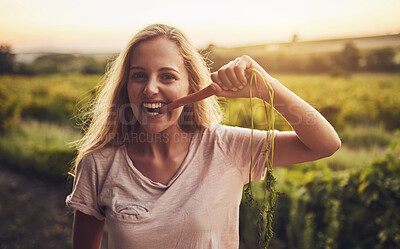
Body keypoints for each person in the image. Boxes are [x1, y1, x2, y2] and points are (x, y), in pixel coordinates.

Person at [66, 23, 341, 249]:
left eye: (167, 76)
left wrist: (268, 88)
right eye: (139, 75)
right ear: (126, 86)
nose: (150, 88)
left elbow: (325, 144)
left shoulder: (226, 147)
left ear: (191, 84)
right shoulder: (99, 163)